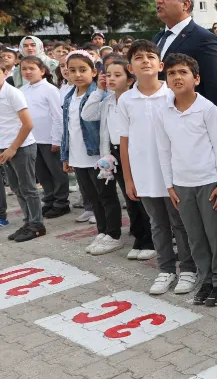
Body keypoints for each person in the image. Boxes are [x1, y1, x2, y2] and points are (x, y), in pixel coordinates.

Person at [155, 53, 217, 307]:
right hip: (181, 185)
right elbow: (163, 150)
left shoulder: (207, 109)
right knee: (194, 237)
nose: (177, 77)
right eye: (171, 73)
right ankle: (207, 278)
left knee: (215, 234)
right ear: (166, 79)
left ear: (196, 79)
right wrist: (169, 185)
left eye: (183, 72)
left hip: (210, 183)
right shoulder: (163, 111)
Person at [120, 40, 197, 294]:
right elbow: (124, 142)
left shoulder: (172, 94)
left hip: (174, 174)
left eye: (150, 56)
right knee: (158, 224)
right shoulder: (127, 100)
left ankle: (188, 269)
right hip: (145, 175)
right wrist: (129, 179)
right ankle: (165, 270)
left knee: (180, 223)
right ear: (130, 68)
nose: (145, 61)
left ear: (160, 65)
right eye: (138, 57)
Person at [82, 56, 154, 260]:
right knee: (129, 197)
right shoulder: (107, 101)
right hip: (114, 153)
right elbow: (87, 115)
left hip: (135, 151)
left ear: (130, 79)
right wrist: (98, 90)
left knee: (141, 197)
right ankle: (138, 235)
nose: (111, 79)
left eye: (117, 75)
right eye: (108, 74)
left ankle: (150, 239)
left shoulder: (135, 99)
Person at [62, 51, 123, 255]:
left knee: (106, 195)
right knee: (92, 197)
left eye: (83, 70)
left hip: (97, 156)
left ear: (94, 72)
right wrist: (66, 156)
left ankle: (113, 234)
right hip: (78, 157)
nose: (77, 75)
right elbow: (68, 129)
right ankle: (103, 231)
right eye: (72, 71)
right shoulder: (70, 96)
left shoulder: (100, 95)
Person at [152, 0, 217, 113]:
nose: (158, 0)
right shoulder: (158, 38)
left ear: (185, 5)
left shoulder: (205, 39)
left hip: (190, 121)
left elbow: (215, 89)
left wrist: (209, 126)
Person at [0, 56, 45, 242]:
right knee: (17, 188)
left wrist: (12, 148)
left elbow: (28, 124)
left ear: (5, 72)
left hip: (21, 147)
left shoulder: (12, 93)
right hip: (4, 148)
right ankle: (28, 222)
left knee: (28, 188)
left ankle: (37, 225)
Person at [19, 56, 69, 219]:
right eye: (24, 69)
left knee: (56, 171)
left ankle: (61, 202)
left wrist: (56, 139)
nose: (27, 72)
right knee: (41, 173)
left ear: (42, 71)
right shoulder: (22, 90)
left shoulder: (50, 89)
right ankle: (49, 200)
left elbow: (57, 115)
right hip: (32, 139)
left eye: (31, 68)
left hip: (49, 139)